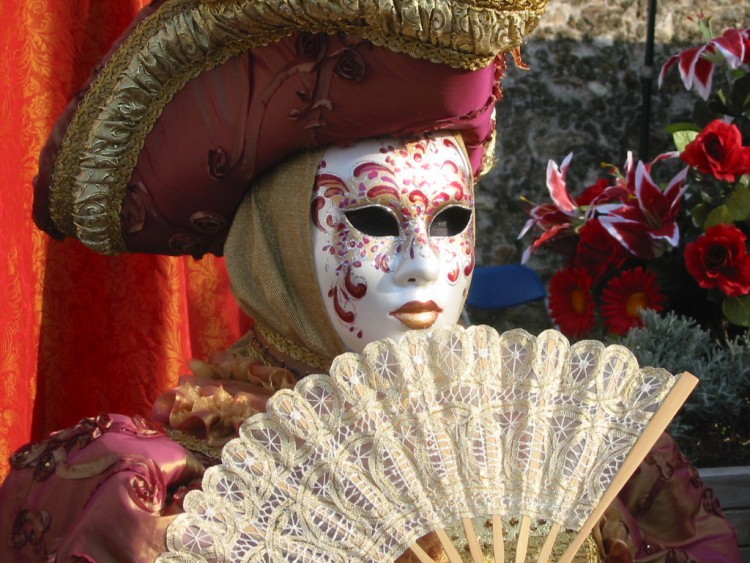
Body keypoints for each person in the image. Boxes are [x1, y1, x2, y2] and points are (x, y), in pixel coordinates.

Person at [0, 0, 741, 561]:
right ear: (279, 241)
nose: (421, 262)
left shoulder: (610, 472)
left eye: (451, 220)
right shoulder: (166, 493)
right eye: (377, 223)